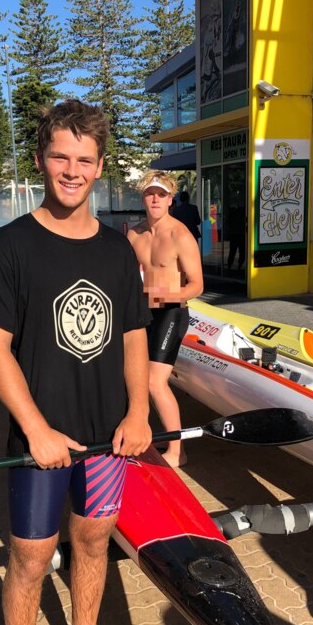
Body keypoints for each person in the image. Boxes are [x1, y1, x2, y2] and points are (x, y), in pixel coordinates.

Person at [0, 99, 152, 625]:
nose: (71, 170)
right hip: (39, 443)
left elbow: (134, 337)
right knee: (29, 556)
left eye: (84, 159)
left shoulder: (115, 250)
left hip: (107, 441)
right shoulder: (9, 246)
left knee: (95, 541)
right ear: (42, 159)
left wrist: (138, 410)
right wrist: (38, 429)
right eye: (59, 156)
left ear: (100, 167)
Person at [128, 171, 203, 468]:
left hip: (170, 312)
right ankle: (141, 435)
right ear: (143, 197)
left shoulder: (180, 235)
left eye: (161, 194)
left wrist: (160, 298)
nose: (155, 199)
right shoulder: (134, 234)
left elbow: (196, 285)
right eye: (150, 193)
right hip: (141, 312)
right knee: (134, 378)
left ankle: (177, 451)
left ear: (171, 199)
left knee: (155, 382)